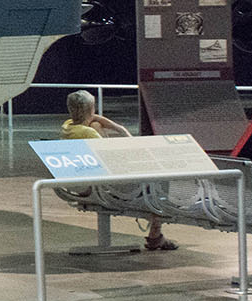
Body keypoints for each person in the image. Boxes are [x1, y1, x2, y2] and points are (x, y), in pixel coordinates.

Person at [63, 90, 177, 250]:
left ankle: (155, 236)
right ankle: (155, 234)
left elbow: (94, 121)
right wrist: (123, 131)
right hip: (106, 188)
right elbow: (112, 157)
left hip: (84, 186)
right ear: (91, 109)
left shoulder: (68, 127)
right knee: (158, 186)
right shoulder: (89, 134)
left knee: (153, 187)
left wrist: (101, 121)